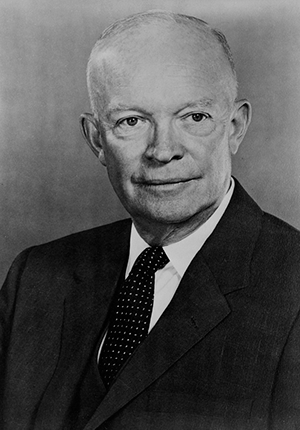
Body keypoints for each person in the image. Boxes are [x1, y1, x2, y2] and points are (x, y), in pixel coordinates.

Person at [1, 10, 300, 430]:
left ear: (234, 127)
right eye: (132, 121)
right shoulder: (36, 277)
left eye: (194, 117)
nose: (162, 151)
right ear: (96, 139)